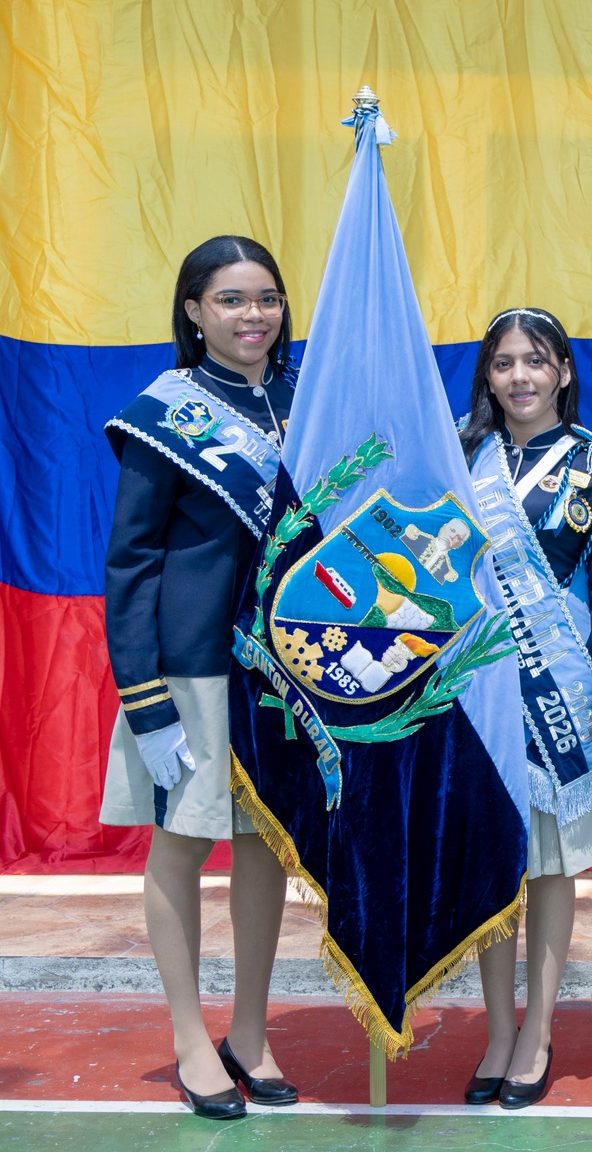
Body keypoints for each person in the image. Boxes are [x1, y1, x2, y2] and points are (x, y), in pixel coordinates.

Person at [100, 236, 300, 1120]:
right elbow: (131, 563)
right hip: (193, 672)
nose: (254, 315)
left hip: (286, 671)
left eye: (267, 298)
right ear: (193, 311)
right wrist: (146, 703)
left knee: (264, 848)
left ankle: (249, 1033)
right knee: (181, 846)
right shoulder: (166, 412)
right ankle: (191, 1040)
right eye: (232, 299)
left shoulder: (308, 398)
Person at [458, 306, 592, 1109]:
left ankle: (538, 1030)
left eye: (535, 360)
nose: (520, 377)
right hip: (478, 696)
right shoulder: (462, 457)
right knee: (494, 867)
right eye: (504, 363)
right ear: (488, 376)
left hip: (563, 697)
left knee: (552, 870)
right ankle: (498, 1029)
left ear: (563, 370)